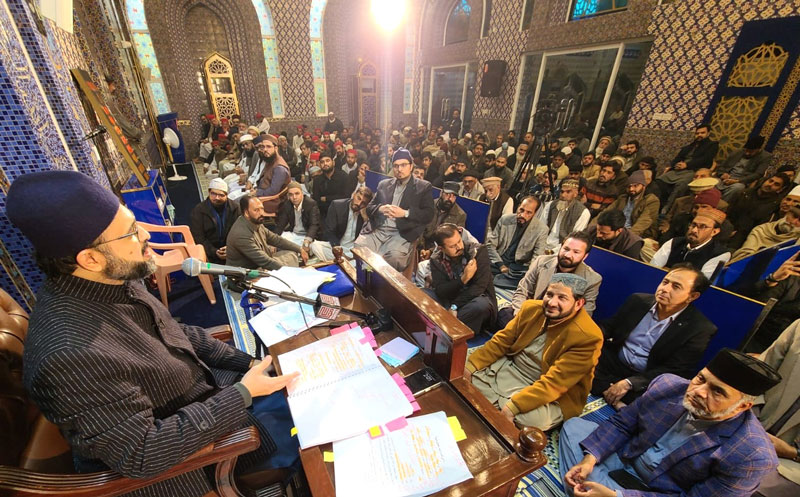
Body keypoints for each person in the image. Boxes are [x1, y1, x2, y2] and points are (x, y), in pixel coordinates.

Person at [7, 171, 301, 497]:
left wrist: (249, 364)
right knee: (307, 428)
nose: (146, 235)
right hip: (191, 462)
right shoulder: (69, 354)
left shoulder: (112, 276)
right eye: (131, 233)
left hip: (204, 393)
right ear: (89, 258)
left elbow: (176, 332)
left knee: (301, 388)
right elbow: (142, 453)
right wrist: (243, 395)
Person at [560, 349, 780, 497]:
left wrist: (618, 496)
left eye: (717, 392)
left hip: (660, 490)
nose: (698, 392)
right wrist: (590, 460)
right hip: (624, 457)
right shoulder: (668, 386)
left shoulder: (752, 455)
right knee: (574, 426)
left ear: (742, 406)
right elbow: (622, 425)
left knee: (578, 478)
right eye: (701, 379)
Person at [466, 273, 603, 431]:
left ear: (579, 303)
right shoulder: (531, 308)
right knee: (464, 363)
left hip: (548, 391)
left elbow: (555, 384)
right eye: (549, 294)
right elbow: (501, 341)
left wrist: (514, 407)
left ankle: (493, 399)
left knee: (531, 420)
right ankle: (496, 400)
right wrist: (470, 366)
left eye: (562, 298)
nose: (552, 302)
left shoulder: (588, 337)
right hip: (511, 366)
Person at [591, 264, 717, 408]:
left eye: (676, 287)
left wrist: (630, 383)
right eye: (665, 282)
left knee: (659, 401)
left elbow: (676, 369)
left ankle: (609, 392)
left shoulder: (700, 328)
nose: (665, 289)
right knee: (580, 361)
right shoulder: (638, 301)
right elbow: (609, 327)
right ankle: (616, 399)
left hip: (647, 378)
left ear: (692, 296)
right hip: (614, 363)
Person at [498, 231, 602, 329]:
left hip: (559, 323)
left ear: (585, 256)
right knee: (503, 315)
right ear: (560, 247)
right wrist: (520, 316)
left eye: (576, 252)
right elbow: (523, 290)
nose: (568, 255)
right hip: (531, 314)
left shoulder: (592, 279)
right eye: (566, 249)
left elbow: (585, 313)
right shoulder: (541, 261)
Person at [355, 148, 435, 272]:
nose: (399, 169)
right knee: (359, 247)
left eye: (403, 165)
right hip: (379, 229)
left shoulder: (423, 187)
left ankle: (380, 285)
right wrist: (380, 208)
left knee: (394, 258)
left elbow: (429, 214)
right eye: (396, 166)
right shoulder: (384, 185)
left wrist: (405, 213)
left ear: (411, 166)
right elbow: (370, 208)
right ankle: (366, 280)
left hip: (400, 233)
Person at [755, 319, 800, 497]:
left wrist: (792, 452)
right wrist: (751, 419)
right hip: (754, 425)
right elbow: (759, 373)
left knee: (752, 489)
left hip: (793, 461)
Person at [427, 224, 496, 333]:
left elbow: (479, 287)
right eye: (452, 246)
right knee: (424, 295)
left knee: (481, 306)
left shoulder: (478, 251)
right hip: (449, 300)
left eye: (459, 241)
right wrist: (463, 279)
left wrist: (455, 306)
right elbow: (440, 290)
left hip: (473, 300)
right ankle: (446, 326)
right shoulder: (436, 259)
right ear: (441, 248)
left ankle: (442, 327)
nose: (459, 247)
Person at [226, 195, 307, 270]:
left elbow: (276, 239)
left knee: (292, 253)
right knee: (288, 264)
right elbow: (265, 261)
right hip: (248, 274)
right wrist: (291, 272)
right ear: (246, 213)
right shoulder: (241, 234)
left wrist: (299, 249)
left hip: (261, 263)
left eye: (262, 208)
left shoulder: (255, 221)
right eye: (256, 210)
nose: (261, 213)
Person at [487, 196, 549, 289]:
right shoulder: (505, 219)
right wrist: (501, 265)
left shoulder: (541, 229)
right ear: (518, 206)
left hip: (517, 269)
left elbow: (537, 258)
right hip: (498, 261)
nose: (523, 215)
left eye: (528, 212)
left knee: (525, 279)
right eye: (521, 210)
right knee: (480, 264)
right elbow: (490, 245)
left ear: (534, 213)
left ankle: (496, 279)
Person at [651, 207, 731, 279]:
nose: (694, 230)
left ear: (714, 231)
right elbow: (652, 269)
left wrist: (667, 270)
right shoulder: (674, 242)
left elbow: (699, 283)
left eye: (702, 227)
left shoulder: (720, 254)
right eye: (693, 225)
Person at [656, 123, 719, 205]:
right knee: (659, 180)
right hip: (678, 170)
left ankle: (667, 209)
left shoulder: (712, 145)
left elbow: (705, 159)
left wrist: (687, 165)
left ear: (708, 133)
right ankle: (656, 205)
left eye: (702, 133)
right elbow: (678, 157)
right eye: (697, 133)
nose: (699, 135)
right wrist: (676, 165)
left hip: (694, 171)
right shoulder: (690, 146)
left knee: (681, 185)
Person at [726, 173, 791, 250]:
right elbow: (728, 213)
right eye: (770, 181)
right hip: (727, 229)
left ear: (780, 189)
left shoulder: (775, 206)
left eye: (776, 184)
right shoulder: (744, 193)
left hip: (746, 239)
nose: (770, 184)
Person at [749, 253, 800, 350]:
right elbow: (755, 308)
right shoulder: (791, 276)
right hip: (757, 338)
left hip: (787, 353)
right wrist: (773, 279)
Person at [309, 186, 373, 261]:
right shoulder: (337, 205)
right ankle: (345, 261)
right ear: (354, 194)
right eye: (358, 198)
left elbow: (367, 238)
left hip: (354, 249)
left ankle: (341, 261)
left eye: (363, 203)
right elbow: (329, 231)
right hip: (338, 246)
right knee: (315, 246)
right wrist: (338, 250)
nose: (359, 203)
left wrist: (365, 219)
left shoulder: (367, 214)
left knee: (366, 257)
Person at [189, 178, 240, 264]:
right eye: (213, 194)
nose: (217, 198)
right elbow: (198, 237)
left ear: (226, 195)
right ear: (209, 192)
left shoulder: (235, 208)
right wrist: (214, 251)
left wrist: (230, 248)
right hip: (209, 251)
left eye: (221, 195)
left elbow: (240, 232)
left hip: (232, 249)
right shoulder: (198, 211)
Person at [599, 170, 660, 237]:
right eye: (629, 186)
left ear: (643, 186)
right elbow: (606, 212)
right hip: (617, 231)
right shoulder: (623, 198)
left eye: (635, 186)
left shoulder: (651, 200)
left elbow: (643, 223)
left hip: (640, 235)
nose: (631, 189)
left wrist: (624, 237)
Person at [729, 207, 800, 263]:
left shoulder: (797, 242)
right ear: (787, 213)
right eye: (794, 216)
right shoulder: (762, 229)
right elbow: (744, 253)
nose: (793, 222)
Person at [538, 179, 591, 252]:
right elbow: (541, 228)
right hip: (542, 245)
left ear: (575, 194)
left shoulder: (583, 212)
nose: (563, 195)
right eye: (562, 192)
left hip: (562, 250)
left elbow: (574, 239)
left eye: (568, 192)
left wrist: (551, 252)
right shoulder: (551, 205)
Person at [714, 135, 772, 201]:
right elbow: (722, 166)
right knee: (713, 182)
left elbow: (758, 174)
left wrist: (738, 181)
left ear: (758, 149)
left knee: (737, 188)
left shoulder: (765, 157)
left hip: (741, 181)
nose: (747, 153)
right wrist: (722, 174)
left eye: (750, 151)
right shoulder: (738, 152)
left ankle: (720, 204)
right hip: (725, 178)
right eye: (746, 150)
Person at [272, 182, 321, 255]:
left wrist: (307, 240)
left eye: (297, 193)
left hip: (307, 236)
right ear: (288, 196)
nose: (294, 197)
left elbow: (314, 225)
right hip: (294, 234)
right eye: (291, 195)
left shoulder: (310, 204)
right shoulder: (288, 204)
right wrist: (273, 242)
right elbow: (280, 225)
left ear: (302, 193)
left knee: (311, 247)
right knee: (281, 238)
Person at [253, 134, 291, 213]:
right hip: (264, 196)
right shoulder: (270, 161)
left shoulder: (279, 168)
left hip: (274, 202)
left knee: (243, 203)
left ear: (276, 148)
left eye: (268, 147)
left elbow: (273, 191)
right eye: (263, 147)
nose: (265, 150)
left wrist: (257, 192)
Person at [312, 149, 350, 220]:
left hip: (341, 213)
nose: (325, 164)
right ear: (320, 165)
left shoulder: (344, 177)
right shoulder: (317, 180)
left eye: (327, 161)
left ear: (333, 162)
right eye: (322, 162)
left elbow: (346, 197)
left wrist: (326, 198)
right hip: (324, 214)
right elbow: (317, 199)